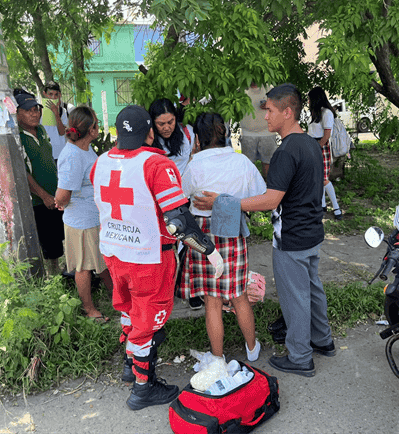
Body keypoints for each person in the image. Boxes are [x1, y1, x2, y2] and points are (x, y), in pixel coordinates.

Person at [195, 83, 334, 378]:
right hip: (312, 233)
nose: (265, 116)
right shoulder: (311, 143)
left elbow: (271, 199)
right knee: (313, 289)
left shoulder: (286, 152)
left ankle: (300, 357)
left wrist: (224, 201)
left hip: (291, 238)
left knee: (295, 297)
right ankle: (324, 340)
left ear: (287, 112)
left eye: (269, 110)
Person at [91, 105, 222, 410]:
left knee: (129, 310)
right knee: (148, 323)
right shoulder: (156, 164)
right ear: (150, 132)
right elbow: (179, 220)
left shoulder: (100, 163)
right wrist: (210, 251)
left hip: (114, 252)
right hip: (149, 257)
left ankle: (130, 364)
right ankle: (142, 387)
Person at [181, 112, 266, 362]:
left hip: (203, 234)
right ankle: (252, 348)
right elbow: (261, 195)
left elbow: (180, 197)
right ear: (226, 133)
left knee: (212, 301)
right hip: (232, 231)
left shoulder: (194, 165)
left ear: (197, 138)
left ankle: (217, 358)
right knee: (239, 295)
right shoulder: (241, 163)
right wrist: (230, 202)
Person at [54, 106, 114, 322]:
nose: (98, 126)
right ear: (91, 129)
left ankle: (115, 295)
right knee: (83, 266)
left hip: (93, 217)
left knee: (101, 259)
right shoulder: (72, 155)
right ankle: (89, 309)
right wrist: (59, 202)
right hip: (80, 221)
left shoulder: (84, 149)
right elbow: (62, 195)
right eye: (96, 122)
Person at [15, 89, 65, 275]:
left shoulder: (42, 130)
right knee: (47, 240)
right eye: (29, 110)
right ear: (17, 113)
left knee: (58, 235)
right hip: (38, 199)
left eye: (36, 109)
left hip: (54, 194)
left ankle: (59, 271)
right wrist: (43, 195)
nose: (35, 113)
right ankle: (52, 277)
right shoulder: (17, 137)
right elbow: (23, 173)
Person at [307, 87, 343, 220]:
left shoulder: (327, 113)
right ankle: (322, 205)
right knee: (318, 177)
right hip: (314, 145)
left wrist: (317, 147)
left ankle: (336, 207)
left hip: (321, 146)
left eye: (310, 98)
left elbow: (327, 135)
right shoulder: (316, 112)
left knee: (324, 179)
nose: (309, 101)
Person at [239, 83, 278, 179]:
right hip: (248, 133)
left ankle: (269, 189)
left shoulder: (269, 88)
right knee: (248, 166)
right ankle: (250, 191)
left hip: (267, 132)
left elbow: (279, 108)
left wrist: (269, 105)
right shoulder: (241, 89)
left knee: (268, 164)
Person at [148, 98, 195, 175]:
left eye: (170, 122)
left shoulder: (187, 133)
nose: (166, 128)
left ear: (175, 118)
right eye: (161, 124)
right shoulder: (148, 140)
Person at [41, 81, 69, 162]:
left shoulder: (62, 111)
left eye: (56, 94)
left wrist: (56, 113)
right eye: (50, 94)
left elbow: (62, 132)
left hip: (60, 153)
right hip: (46, 154)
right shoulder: (38, 111)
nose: (53, 97)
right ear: (44, 94)